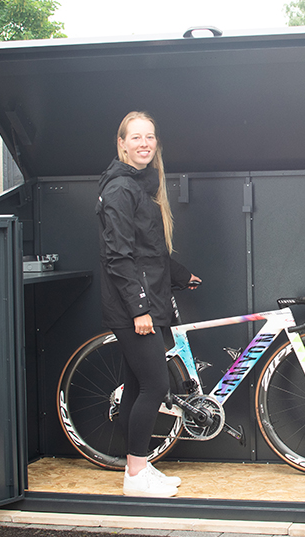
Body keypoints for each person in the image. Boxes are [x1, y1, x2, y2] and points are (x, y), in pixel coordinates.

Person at [96, 111, 199, 497]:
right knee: (154, 386)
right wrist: (139, 309)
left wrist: (178, 274)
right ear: (121, 143)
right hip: (132, 307)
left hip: (146, 300)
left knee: (137, 386)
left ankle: (137, 467)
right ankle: (136, 477)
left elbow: (147, 250)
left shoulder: (137, 185)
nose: (144, 143)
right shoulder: (122, 189)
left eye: (150, 137)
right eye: (136, 137)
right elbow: (118, 257)